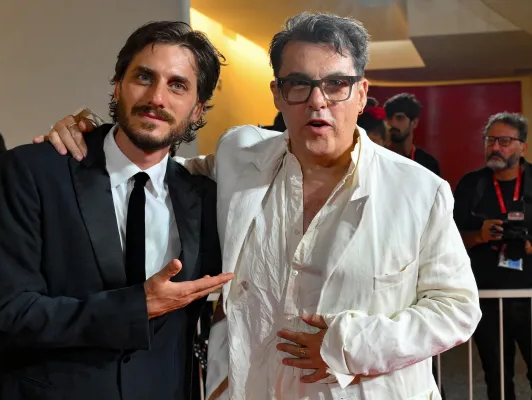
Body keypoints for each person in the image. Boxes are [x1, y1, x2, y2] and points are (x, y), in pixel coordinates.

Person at [40, 12, 481, 400]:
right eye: (299, 84)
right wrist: (93, 136)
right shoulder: (240, 156)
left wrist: (349, 345)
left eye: (336, 84)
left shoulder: (419, 191)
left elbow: (458, 309)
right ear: (277, 94)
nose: (317, 101)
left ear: (362, 93)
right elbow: (157, 170)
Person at [0, 21, 233, 400]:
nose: (157, 98)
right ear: (117, 86)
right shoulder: (34, 171)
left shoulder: (207, 198)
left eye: (177, 85)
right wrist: (135, 308)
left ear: (197, 110)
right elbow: (11, 313)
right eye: (144, 77)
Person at [454, 112, 532, 400]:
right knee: (497, 376)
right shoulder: (471, 185)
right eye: (490, 140)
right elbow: (449, 240)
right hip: (486, 297)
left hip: (530, 295)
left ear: (522, 146)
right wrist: (479, 235)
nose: (495, 147)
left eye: (505, 141)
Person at [383, 93, 441, 176]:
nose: (393, 124)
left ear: (414, 123)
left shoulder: (428, 164)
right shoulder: (379, 158)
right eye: (389, 118)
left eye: (400, 118)